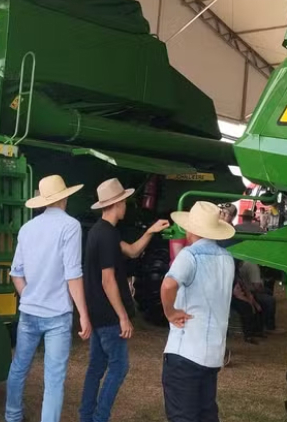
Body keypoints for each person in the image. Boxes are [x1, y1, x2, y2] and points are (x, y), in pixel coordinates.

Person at [80, 178, 170, 422]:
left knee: (96, 367)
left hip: (97, 311)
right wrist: (123, 317)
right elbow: (108, 280)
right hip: (109, 315)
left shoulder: (99, 231)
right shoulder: (108, 236)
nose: (127, 205)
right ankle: (99, 417)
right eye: (125, 201)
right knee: (119, 367)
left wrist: (150, 230)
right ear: (117, 203)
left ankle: (86, 416)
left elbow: (131, 250)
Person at [5, 175, 92, 422]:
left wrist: (29, 296)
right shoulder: (71, 226)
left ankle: (12, 416)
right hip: (57, 315)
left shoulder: (27, 228)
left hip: (30, 311)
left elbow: (16, 272)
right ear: (65, 196)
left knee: (19, 367)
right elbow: (73, 273)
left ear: (43, 200)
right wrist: (83, 314)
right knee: (54, 377)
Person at [160, 201, 236, 422]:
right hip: (213, 353)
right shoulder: (227, 259)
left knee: (182, 415)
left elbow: (168, 285)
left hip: (186, 351)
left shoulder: (189, 255)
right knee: (206, 414)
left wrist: (169, 312)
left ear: (191, 228)